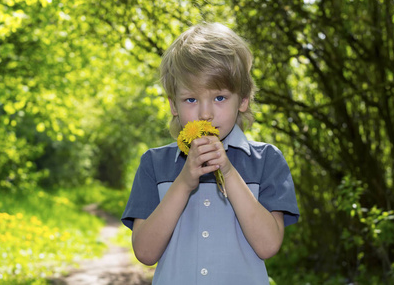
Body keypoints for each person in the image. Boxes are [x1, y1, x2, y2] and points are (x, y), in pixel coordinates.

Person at [121, 22, 300, 285]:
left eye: (219, 98)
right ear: (173, 105)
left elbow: (268, 245)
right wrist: (183, 182)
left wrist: (227, 171)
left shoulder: (267, 161)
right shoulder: (154, 164)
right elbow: (145, 253)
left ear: (243, 99)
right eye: (191, 100)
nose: (205, 114)